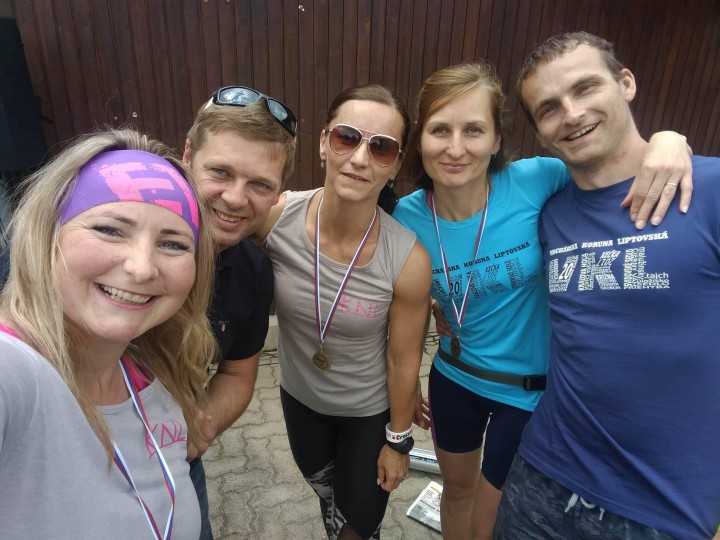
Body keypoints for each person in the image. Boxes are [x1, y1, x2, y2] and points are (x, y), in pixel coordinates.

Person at [391, 61, 692, 540]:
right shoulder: (405, 218)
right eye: (440, 130)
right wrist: (432, 311)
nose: (455, 147)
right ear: (420, 139)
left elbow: (611, 165)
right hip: (454, 379)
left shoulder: (538, 178)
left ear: (496, 140)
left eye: (474, 130)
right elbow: (406, 297)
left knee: (490, 520)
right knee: (457, 494)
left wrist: (668, 141)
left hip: (528, 393)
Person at [493, 32, 720, 540]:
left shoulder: (710, 191)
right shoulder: (549, 216)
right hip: (542, 475)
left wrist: (671, 138)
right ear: (540, 133)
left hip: (663, 508)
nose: (571, 114)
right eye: (549, 108)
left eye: (585, 88)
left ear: (626, 84)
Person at [0, 128, 218, 538]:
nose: (142, 267)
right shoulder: (12, 372)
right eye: (109, 230)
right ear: (47, 235)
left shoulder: (155, 374)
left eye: (173, 244)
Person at [252, 84, 432, 540]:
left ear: (395, 164)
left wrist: (399, 440)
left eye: (381, 147)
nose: (359, 158)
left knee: (358, 526)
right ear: (323, 142)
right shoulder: (274, 219)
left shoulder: (407, 259)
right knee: (331, 503)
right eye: (347, 137)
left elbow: (403, 360)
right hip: (300, 402)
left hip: (367, 414)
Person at [181, 86, 297, 540]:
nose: (234, 198)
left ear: (278, 192)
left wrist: (201, 426)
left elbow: (237, 375)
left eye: (259, 184)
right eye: (220, 172)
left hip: (174, 456)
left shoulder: (253, 271)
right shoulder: (100, 231)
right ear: (187, 156)